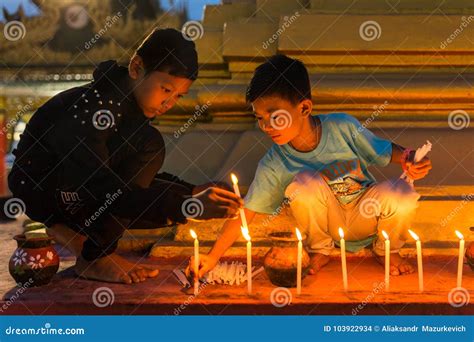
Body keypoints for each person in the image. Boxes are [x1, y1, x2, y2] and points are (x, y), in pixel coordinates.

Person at [8, 28, 242, 284]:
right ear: (136, 67)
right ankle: (94, 257)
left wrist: (191, 190)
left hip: (73, 189)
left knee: (168, 194)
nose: (169, 103)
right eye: (165, 90)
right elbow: (101, 188)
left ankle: (78, 236)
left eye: (178, 96)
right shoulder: (96, 109)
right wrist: (186, 205)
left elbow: (120, 179)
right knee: (153, 152)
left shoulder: (125, 111)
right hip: (43, 191)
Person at [192, 54, 432, 278]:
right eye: (260, 118)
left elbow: (388, 151)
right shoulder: (274, 162)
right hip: (328, 222)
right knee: (304, 182)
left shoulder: (342, 127)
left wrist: (410, 158)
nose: (266, 126)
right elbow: (247, 212)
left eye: (275, 116)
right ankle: (320, 250)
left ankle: (386, 250)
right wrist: (212, 257)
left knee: (402, 193)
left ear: (304, 108)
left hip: (364, 210)